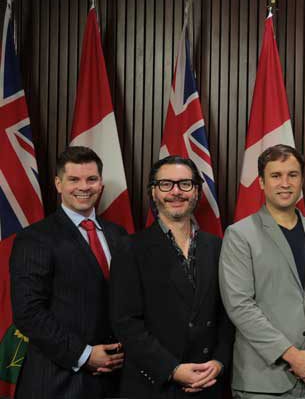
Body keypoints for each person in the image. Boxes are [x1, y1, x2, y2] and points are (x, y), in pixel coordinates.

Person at [219, 144, 305, 399]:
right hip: (263, 381)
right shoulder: (240, 235)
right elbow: (239, 305)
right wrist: (292, 356)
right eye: (276, 176)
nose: (285, 183)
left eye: (292, 175)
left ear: (302, 180)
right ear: (262, 183)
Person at [110, 155, 233, 398]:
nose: (176, 192)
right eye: (166, 184)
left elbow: (230, 315)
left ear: (196, 191)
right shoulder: (130, 249)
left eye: (185, 184)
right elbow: (125, 322)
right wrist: (172, 369)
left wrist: (219, 362)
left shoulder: (220, 247)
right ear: (154, 193)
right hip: (154, 386)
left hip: (210, 383)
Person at [9, 146, 126, 399]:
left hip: (113, 382)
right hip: (57, 382)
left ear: (101, 184)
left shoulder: (118, 235)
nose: (84, 187)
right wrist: (84, 355)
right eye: (74, 179)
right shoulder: (35, 238)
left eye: (91, 179)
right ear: (58, 184)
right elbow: (28, 312)